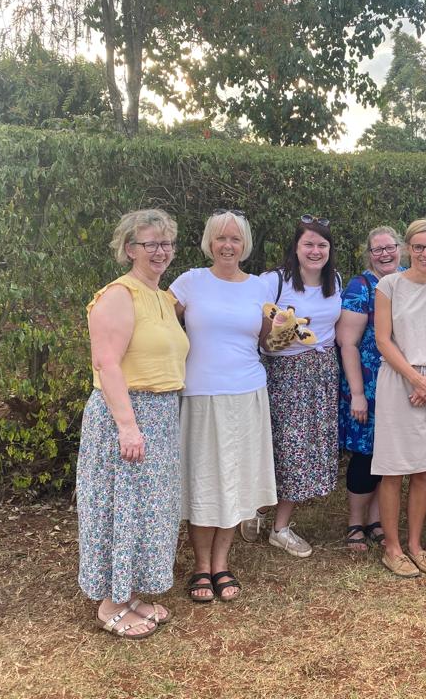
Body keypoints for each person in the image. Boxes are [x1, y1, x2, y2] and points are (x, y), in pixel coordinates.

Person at [78, 209, 189, 639]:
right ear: (130, 249)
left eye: (167, 243)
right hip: (126, 414)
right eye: (151, 244)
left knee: (148, 510)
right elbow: (106, 363)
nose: (161, 251)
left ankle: (129, 595)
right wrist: (127, 425)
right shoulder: (118, 295)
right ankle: (110, 604)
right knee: (121, 506)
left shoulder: (161, 297)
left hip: (160, 414)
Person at [170, 210, 276, 602]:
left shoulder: (259, 287)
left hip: (247, 393)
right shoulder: (189, 282)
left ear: (244, 244)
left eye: (235, 239)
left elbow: (268, 341)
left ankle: (221, 563)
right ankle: (201, 566)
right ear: (209, 243)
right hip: (201, 394)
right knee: (203, 479)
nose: (228, 245)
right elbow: (158, 325)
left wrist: (287, 334)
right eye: (220, 238)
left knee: (234, 479)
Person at [372, 219, 426, 577]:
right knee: (393, 470)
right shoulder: (389, 285)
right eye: (419, 246)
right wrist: (414, 379)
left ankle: (416, 545)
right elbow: (382, 339)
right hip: (398, 380)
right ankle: (392, 548)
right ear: (408, 248)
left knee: (424, 470)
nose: (425, 253)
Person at [256, 215, 342, 557]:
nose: (315, 250)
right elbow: (259, 337)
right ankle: (266, 515)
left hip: (322, 373)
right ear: (296, 247)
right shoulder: (274, 282)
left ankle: (273, 520)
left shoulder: (334, 280)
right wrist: (278, 332)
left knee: (303, 449)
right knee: (281, 446)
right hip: (284, 375)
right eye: (308, 244)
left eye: (322, 244)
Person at [335, 226, 405, 551]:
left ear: (400, 248)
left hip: (402, 384)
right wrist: (358, 394)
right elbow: (347, 343)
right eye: (377, 249)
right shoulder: (360, 287)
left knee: (389, 456)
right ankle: (355, 522)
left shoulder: (409, 280)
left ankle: (377, 519)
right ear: (369, 254)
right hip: (368, 386)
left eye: (390, 247)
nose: (385, 254)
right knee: (365, 455)